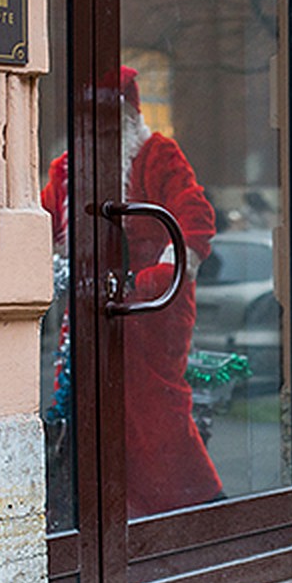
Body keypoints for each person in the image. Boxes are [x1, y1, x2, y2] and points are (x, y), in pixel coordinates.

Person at [42, 66, 223, 518]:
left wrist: (157, 279)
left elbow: (194, 219)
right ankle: (111, 508)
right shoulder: (68, 168)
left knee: (155, 407)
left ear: (129, 113)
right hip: (91, 302)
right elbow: (43, 221)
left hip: (153, 308)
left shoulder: (157, 153)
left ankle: (195, 507)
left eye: (111, 115)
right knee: (88, 399)